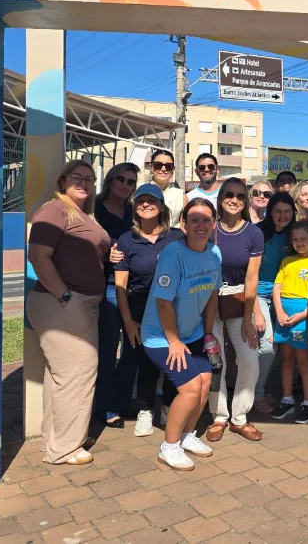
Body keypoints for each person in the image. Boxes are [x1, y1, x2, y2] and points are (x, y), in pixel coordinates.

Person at [26, 160, 111, 465]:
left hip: (76, 303)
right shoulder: (55, 209)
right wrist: (64, 294)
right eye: (77, 176)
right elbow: (37, 255)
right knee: (79, 371)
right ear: (62, 181)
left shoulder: (80, 214)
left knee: (62, 375)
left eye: (89, 178)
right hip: (63, 302)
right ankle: (65, 448)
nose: (84, 182)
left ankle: (58, 438)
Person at [141, 198, 221, 470]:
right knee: (189, 389)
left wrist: (208, 334)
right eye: (194, 219)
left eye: (206, 219)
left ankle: (187, 436)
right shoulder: (173, 254)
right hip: (160, 336)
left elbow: (212, 296)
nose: (201, 225)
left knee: (205, 381)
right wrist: (173, 341)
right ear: (183, 224)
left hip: (193, 332)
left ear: (214, 223)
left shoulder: (214, 253)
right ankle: (169, 446)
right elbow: (163, 303)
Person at [113, 185, 184, 437]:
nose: (145, 204)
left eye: (151, 200)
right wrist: (128, 321)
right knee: (146, 360)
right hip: (140, 308)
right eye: (140, 200)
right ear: (135, 207)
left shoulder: (176, 237)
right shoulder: (126, 240)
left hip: (173, 308)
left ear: (162, 206)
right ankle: (145, 409)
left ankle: (167, 406)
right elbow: (121, 287)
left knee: (173, 359)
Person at [206, 178, 266, 443]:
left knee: (250, 359)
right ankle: (219, 416)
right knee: (214, 360)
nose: (234, 199)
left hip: (239, 299)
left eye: (241, 196)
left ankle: (239, 417)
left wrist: (248, 317)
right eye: (229, 194)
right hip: (208, 301)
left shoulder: (253, 233)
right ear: (220, 198)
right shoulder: (209, 229)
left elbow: (252, 278)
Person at [93, 162, 138, 428]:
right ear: (110, 179)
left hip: (133, 287)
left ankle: (122, 401)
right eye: (120, 178)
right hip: (107, 286)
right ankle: (106, 406)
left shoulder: (134, 210)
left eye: (131, 181)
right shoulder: (94, 207)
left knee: (133, 348)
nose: (125, 184)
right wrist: (105, 250)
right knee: (108, 349)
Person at [270, 220, 308, 424]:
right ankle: (287, 399)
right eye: (295, 239)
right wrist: (279, 311)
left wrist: (303, 315)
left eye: (304, 239)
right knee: (287, 359)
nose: (299, 243)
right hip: (284, 316)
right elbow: (277, 288)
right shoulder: (286, 261)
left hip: (302, 317)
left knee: (303, 361)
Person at [253, 192, 296, 413]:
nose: (282, 216)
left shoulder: (294, 234)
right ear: (270, 212)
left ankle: (261, 390)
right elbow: (248, 274)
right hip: (258, 295)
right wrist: (256, 311)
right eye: (277, 211)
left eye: (287, 211)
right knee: (267, 346)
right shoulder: (258, 233)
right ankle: (257, 395)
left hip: (285, 296)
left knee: (279, 346)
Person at [148, 148, 185, 228]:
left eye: (168, 166)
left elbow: (184, 225)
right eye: (158, 165)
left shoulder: (180, 195)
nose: (163, 169)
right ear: (151, 167)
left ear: (173, 169)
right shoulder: (140, 191)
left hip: (173, 239)